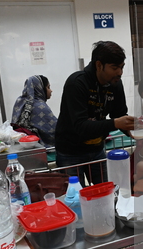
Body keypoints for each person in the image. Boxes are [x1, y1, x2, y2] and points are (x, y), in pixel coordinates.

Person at [55, 41, 134, 185]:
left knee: (105, 194)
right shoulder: (77, 83)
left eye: (121, 67)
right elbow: (81, 126)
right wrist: (116, 123)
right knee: (75, 199)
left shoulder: (115, 83)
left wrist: (132, 130)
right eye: (114, 68)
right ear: (99, 65)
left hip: (96, 149)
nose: (120, 73)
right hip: (70, 151)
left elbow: (119, 114)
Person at [11, 75, 58, 146]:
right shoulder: (40, 106)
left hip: (20, 144)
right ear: (40, 89)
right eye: (48, 87)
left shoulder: (19, 101)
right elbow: (53, 130)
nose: (51, 90)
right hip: (38, 146)